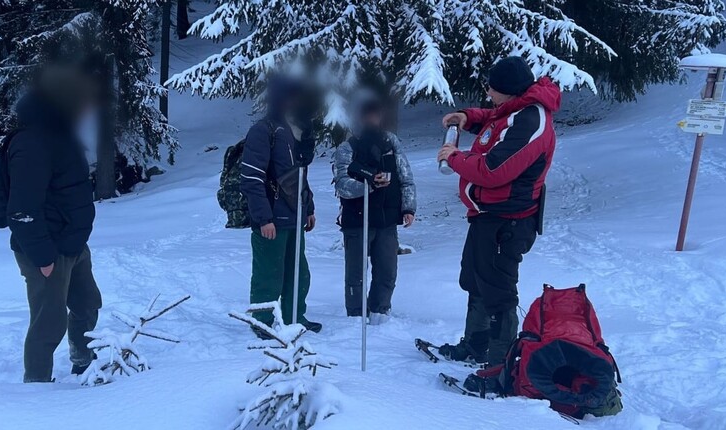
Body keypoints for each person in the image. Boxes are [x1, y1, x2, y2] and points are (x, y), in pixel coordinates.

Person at [435, 56, 560, 369]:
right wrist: (468, 117)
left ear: (507, 90)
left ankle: (500, 364)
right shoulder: (518, 107)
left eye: (491, 88)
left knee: (499, 291)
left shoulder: (532, 120)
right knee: (476, 280)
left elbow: (493, 169)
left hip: (509, 221)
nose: (488, 92)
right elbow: (496, 118)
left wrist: (454, 158)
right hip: (486, 215)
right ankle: (476, 344)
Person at [7, 65, 102, 383]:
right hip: (46, 250)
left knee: (88, 305)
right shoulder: (31, 142)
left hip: (73, 244)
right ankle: (36, 386)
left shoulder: (62, 136)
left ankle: (83, 360)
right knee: (48, 324)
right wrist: (43, 256)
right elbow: (21, 209)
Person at [240, 76, 322, 335]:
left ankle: (295, 318)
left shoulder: (295, 130)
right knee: (268, 274)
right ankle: (261, 322)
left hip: (295, 217)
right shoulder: (263, 131)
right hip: (271, 220)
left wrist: (308, 208)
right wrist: (263, 218)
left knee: (298, 273)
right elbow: (252, 179)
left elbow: (299, 175)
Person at [333, 93, 416, 324]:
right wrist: (368, 185)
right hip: (357, 220)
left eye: (375, 114)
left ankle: (380, 311)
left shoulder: (391, 142)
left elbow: (406, 177)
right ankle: (355, 317)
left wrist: (408, 207)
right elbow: (342, 185)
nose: (371, 119)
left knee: (387, 271)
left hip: (388, 219)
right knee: (356, 273)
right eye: (366, 115)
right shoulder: (347, 147)